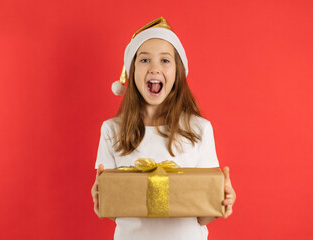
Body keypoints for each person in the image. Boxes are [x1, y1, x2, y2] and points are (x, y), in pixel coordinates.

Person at [91, 17, 236, 240]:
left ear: (178, 72)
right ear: (132, 71)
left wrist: (222, 201)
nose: (155, 68)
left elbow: (202, 214)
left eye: (165, 61)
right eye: (145, 60)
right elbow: (113, 207)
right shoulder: (111, 131)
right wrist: (103, 199)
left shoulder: (200, 129)